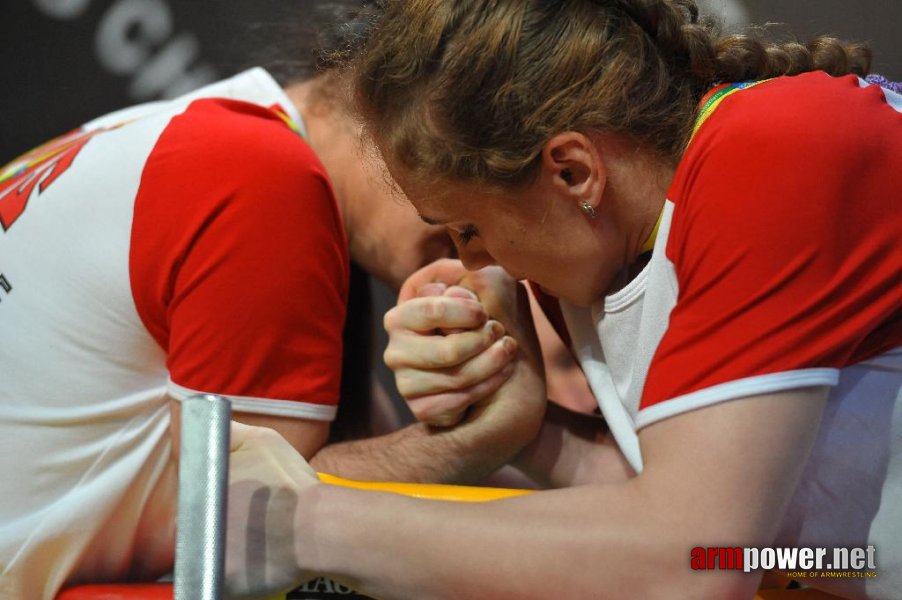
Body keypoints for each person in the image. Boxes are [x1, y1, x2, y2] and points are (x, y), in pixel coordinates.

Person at [218, 1, 902, 599]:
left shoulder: (775, 145)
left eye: (469, 228)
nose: (472, 263)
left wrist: (303, 525)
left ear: (573, 171)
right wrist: (528, 430)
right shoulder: (598, 249)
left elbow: (690, 562)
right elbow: (723, 538)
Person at [0, 2, 542, 598]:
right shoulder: (262, 177)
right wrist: (478, 439)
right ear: (387, 103)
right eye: (476, 164)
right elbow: (234, 530)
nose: (483, 249)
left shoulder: (193, 131)